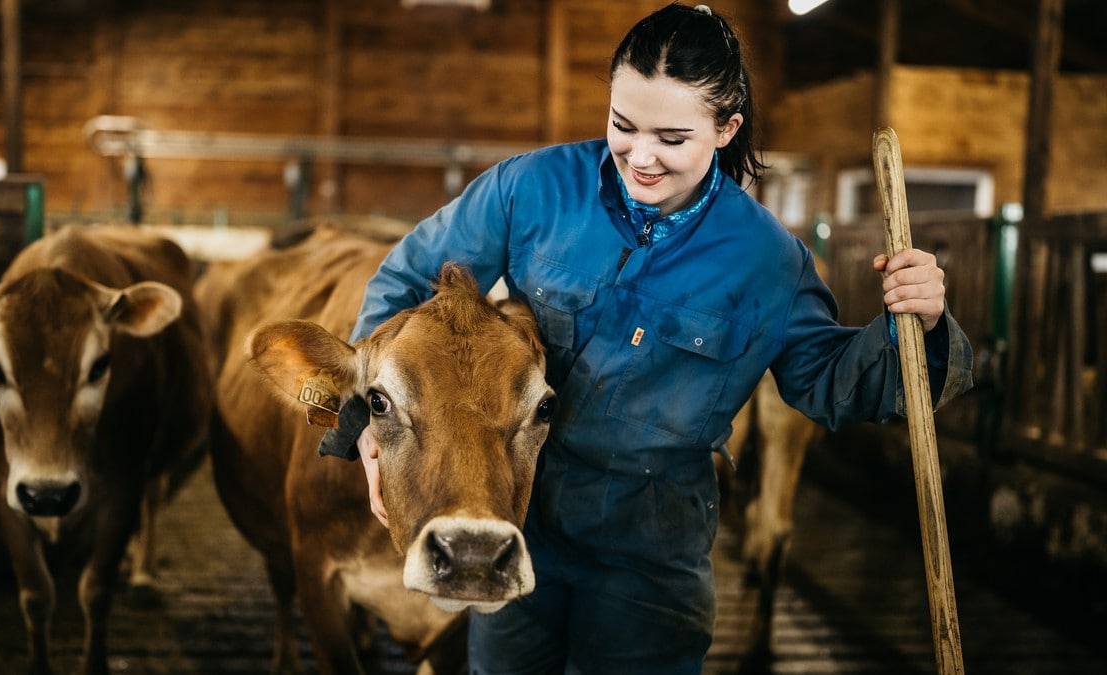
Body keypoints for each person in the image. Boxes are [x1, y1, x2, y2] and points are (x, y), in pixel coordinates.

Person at [320, 2, 974, 672]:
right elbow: (402, 283)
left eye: (672, 137)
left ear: (727, 129)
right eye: (622, 126)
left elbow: (835, 383)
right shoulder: (533, 191)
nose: (641, 156)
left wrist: (918, 324)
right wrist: (364, 427)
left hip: (652, 559)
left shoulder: (768, 261)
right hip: (519, 528)